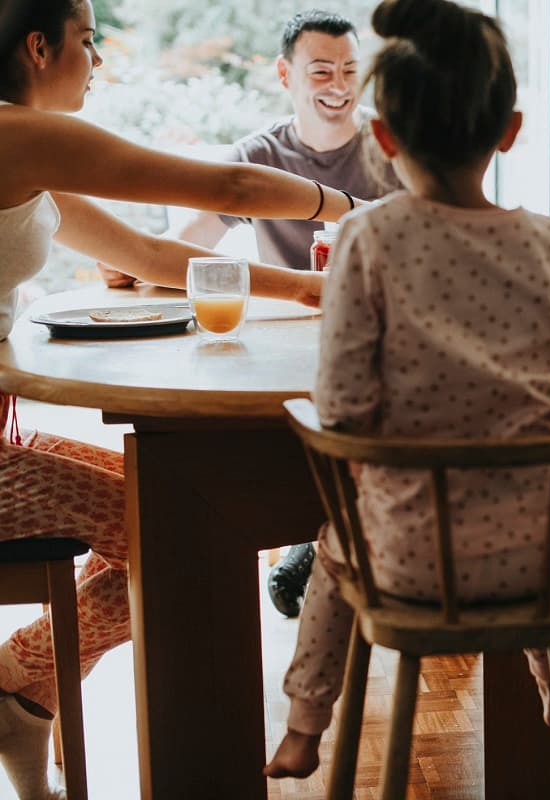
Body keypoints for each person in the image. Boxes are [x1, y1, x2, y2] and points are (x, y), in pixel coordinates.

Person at [0, 2, 359, 797]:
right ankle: (16, 681)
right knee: (185, 529)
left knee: (181, 509)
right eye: (89, 41)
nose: (98, 59)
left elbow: (154, 254)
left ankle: (22, 695)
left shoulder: (23, 155)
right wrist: (351, 210)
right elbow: (228, 184)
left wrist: (309, 288)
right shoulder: (15, 133)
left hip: (4, 434)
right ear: (37, 46)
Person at [263, 0, 550, 779]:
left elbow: (345, 406)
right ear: (512, 130)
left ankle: (303, 724)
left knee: (335, 546)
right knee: (535, 548)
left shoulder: (368, 236)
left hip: (411, 561)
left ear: (383, 139)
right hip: (546, 555)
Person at [164, 9, 403, 619]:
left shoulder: (394, 146)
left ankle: (319, 538)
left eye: (351, 69)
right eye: (321, 70)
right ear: (285, 75)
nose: (339, 85)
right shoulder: (259, 154)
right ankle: (315, 533)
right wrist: (137, 263)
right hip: (289, 344)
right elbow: (187, 243)